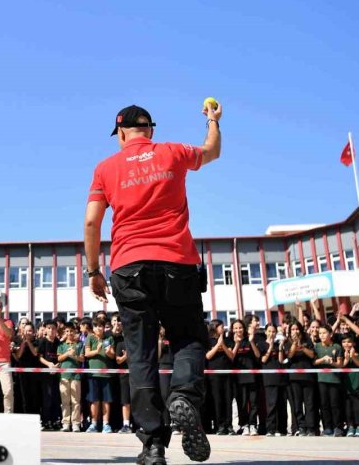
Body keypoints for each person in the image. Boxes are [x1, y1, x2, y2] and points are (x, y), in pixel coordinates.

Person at [84, 102, 221, 464]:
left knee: (141, 354)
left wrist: (94, 271)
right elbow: (212, 151)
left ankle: (153, 445)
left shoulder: (105, 169)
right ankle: (183, 397)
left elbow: (91, 223)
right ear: (150, 130)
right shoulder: (173, 152)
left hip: (129, 267)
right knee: (189, 338)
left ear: (123, 132)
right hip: (177, 261)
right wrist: (212, 121)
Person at [84, 317, 115, 433]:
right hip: (93, 374)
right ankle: (94, 424)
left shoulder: (109, 338)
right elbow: (86, 354)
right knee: (94, 400)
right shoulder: (90, 338)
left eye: (101, 326)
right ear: (93, 328)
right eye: (96, 326)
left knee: (106, 400)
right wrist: (97, 351)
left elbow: (113, 356)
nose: (99, 328)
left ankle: (106, 424)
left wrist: (109, 352)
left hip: (106, 374)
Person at [257, 323, 287, 437]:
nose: (271, 334)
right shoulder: (261, 344)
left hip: (280, 378)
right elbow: (263, 360)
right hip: (269, 379)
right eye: (269, 331)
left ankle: (282, 429)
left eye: (273, 331)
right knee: (271, 404)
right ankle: (270, 429)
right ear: (265, 332)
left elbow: (280, 360)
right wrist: (269, 347)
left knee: (281, 405)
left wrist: (279, 348)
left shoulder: (278, 344)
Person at [313, 325, 343, 437]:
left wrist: (332, 363)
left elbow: (340, 364)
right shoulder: (316, 347)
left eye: (324, 333)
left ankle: (338, 427)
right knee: (324, 404)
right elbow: (313, 362)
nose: (322, 335)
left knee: (335, 404)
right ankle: (327, 427)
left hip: (334, 379)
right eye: (320, 333)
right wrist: (323, 359)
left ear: (330, 334)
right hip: (321, 379)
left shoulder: (337, 347)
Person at [57, 322, 84, 432]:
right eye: (67, 331)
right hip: (64, 376)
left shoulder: (79, 344)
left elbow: (82, 359)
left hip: (76, 376)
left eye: (71, 331)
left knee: (76, 400)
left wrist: (74, 355)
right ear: (64, 332)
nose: (69, 333)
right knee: (65, 400)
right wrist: (67, 354)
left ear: (75, 332)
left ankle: (76, 423)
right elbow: (59, 359)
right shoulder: (61, 345)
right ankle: (66, 423)